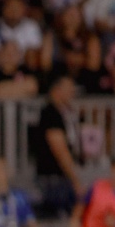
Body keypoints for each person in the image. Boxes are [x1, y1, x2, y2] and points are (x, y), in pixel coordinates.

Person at [28, 75, 82, 219]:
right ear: (56, 90)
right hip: (53, 180)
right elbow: (59, 149)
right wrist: (75, 180)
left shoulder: (64, 113)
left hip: (58, 178)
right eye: (68, 89)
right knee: (59, 216)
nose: (72, 92)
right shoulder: (50, 114)